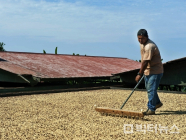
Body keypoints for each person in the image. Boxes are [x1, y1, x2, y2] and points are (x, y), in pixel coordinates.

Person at [135, 29, 164, 115]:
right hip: (148, 70)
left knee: (151, 89)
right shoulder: (142, 44)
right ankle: (157, 103)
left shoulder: (149, 47)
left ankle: (151, 109)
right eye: (139, 38)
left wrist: (139, 74)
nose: (140, 40)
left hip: (155, 71)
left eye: (142, 38)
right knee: (150, 89)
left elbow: (145, 62)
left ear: (147, 37)